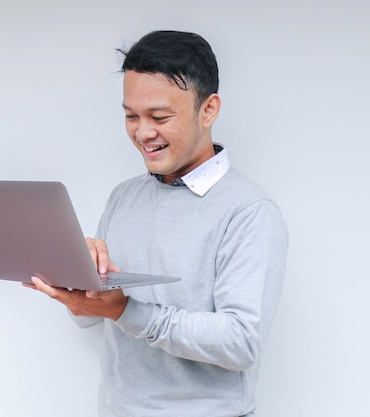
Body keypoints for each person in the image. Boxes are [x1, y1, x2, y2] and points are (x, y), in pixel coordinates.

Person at [24, 30, 288, 417]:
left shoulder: (249, 211)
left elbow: (241, 342)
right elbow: (89, 320)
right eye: (131, 115)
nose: (143, 132)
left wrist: (123, 310)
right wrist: (79, 284)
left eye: (159, 116)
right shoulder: (123, 197)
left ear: (209, 109)